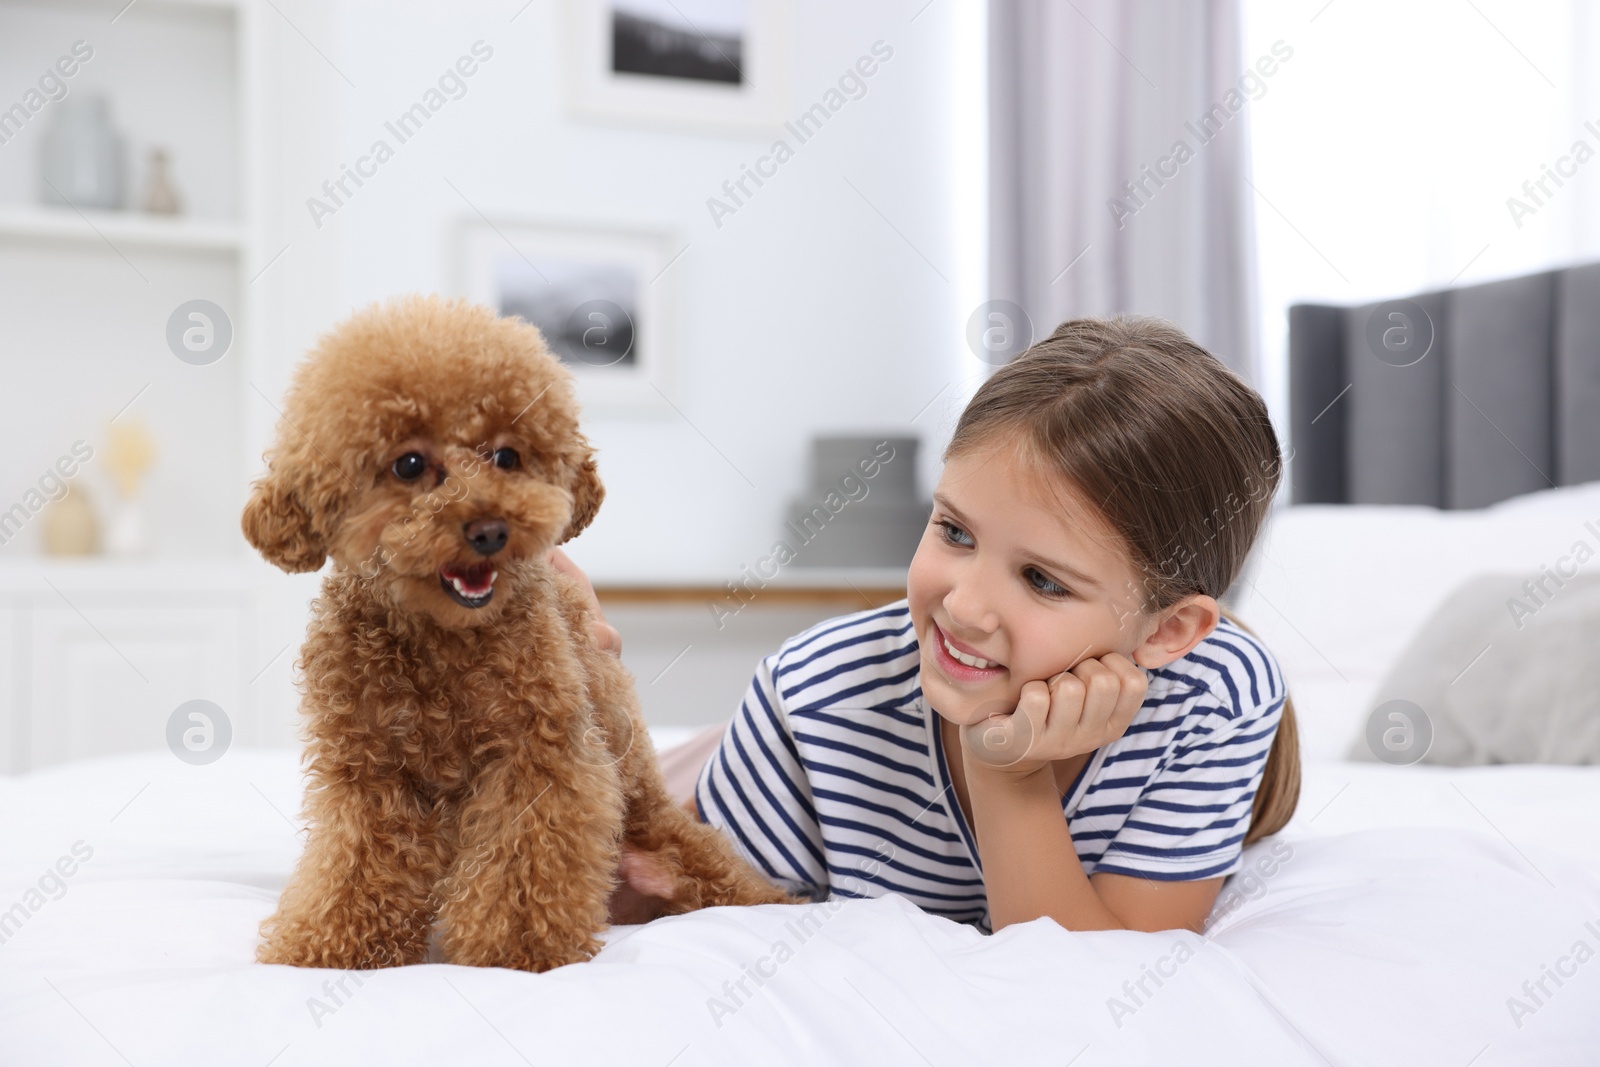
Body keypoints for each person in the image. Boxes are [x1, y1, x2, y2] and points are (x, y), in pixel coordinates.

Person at [562, 315, 1300, 934]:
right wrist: (585, 714)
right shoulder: (812, 698)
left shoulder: (1216, 690)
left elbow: (1101, 991)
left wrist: (1007, 771)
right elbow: (663, 914)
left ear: (1169, 631)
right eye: (955, 531)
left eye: (1043, 580)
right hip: (747, 753)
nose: (965, 606)